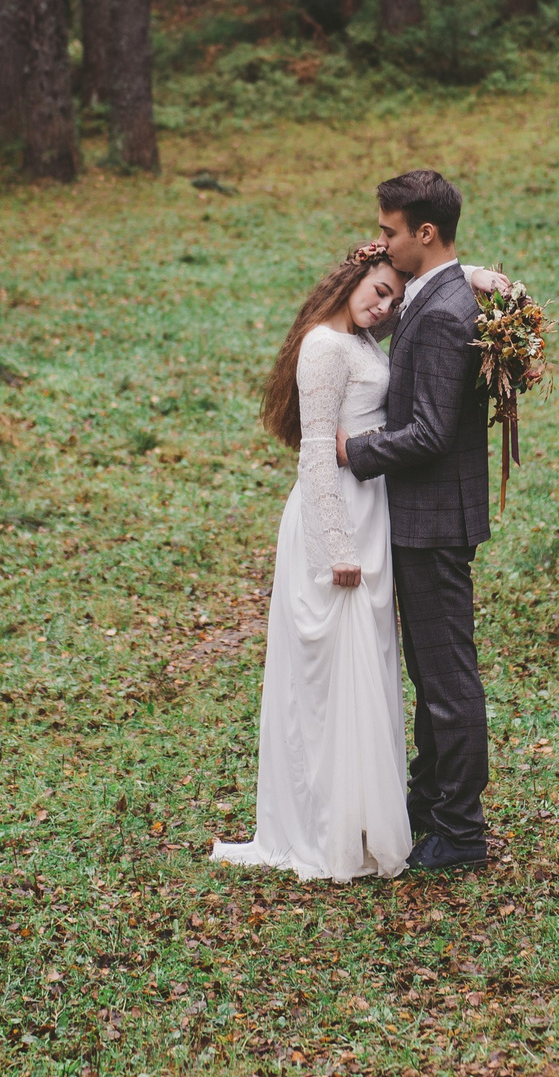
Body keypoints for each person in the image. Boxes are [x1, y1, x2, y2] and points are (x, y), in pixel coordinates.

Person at [211, 240, 510, 882]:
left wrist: (472, 277)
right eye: (377, 292)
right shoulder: (323, 345)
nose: (384, 307)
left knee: (368, 669)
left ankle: (368, 811)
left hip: (376, 514)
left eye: (392, 298)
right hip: (339, 517)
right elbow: (318, 451)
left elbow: (431, 311)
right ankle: (329, 823)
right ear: (351, 279)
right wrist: (336, 546)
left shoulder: (367, 337)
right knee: (331, 673)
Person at [342, 170, 495, 874]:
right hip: (427, 518)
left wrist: (356, 451)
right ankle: (431, 802)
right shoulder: (436, 296)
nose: (382, 240)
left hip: (432, 521)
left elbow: (431, 432)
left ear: (424, 234)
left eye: (390, 230)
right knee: (433, 677)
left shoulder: (440, 312)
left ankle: (460, 827)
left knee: (447, 678)